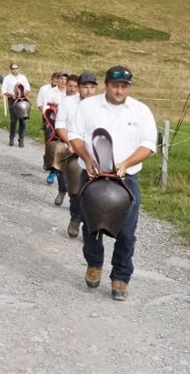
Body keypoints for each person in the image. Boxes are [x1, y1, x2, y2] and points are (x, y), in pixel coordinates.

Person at [68, 65, 157, 302]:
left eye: (124, 86)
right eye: (115, 85)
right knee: (91, 227)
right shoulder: (88, 106)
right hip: (94, 175)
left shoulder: (141, 111)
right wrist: (87, 159)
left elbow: (149, 144)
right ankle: (94, 263)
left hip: (125, 178)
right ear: (106, 85)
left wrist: (126, 163)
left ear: (129, 87)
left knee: (127, 232)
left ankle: (121, 276)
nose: (119, 91)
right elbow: (74, 135)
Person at [57, 71, 97, 237]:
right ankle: (75, 217)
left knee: (95, 190)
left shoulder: (100, 104)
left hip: (95, 151)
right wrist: (69, 143)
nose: (88, 91)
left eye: (91, 87)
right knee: (75, 182)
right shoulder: (68, 102)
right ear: (78, 88)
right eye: (85, 87)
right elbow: (60, 124)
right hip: (74, 148)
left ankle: (92, 225)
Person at [2, 63, 31, 147]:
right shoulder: (7, 78)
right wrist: (11, 95)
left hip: (22, 100)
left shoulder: (23, 77)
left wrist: (24, 93)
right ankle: (11, 137)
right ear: (10, 69)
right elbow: (4, 90)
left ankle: (21, 139)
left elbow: (28, 88)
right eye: (13, 68)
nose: (15, 70)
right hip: (12, 100)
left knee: (23, 120)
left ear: (19, 68)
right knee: (14, 120)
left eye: (16, 68)